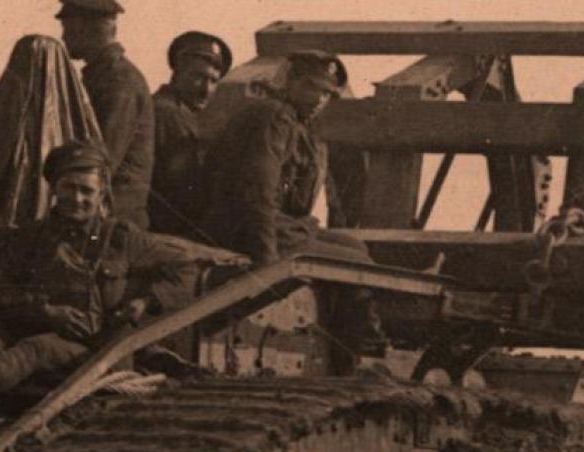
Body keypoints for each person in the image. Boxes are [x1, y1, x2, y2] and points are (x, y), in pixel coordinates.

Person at [0, 141, 195, 438]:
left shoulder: (122, 239)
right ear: (54, 189)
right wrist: (43, 309)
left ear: (102, 195)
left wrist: (145, 302)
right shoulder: (27, 239)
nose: (78, 198)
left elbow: (185, 268)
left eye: (87, 191)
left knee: (35, 350)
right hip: (27, 329)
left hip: (93, 350)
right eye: (69, 188)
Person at [202, 50, 386, 357]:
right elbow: (258, 191)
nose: (319, 99)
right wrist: (266, 256)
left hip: (279, 224)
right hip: (243, 226)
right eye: (312, 87)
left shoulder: (297, 123)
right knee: (357, 264)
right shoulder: (275, 117)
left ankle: (353, 339)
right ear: (291, 82)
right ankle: (355, 351)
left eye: (327, 93)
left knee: (354, 247)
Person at [58, 0, 153, 229]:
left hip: (112, 224)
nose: (63, 37)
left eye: (68, 29)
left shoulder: (118, 81)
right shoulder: (104, 76)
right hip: (99, 216)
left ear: (90, 28)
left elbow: (102, 161)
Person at [149, 31, 232, 238]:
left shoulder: (181, 112)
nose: (206, 90)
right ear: (177, 73)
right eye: (198, 77)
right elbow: (180, 190)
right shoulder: (166, 112)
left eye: (213, 81)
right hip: (166, 230)